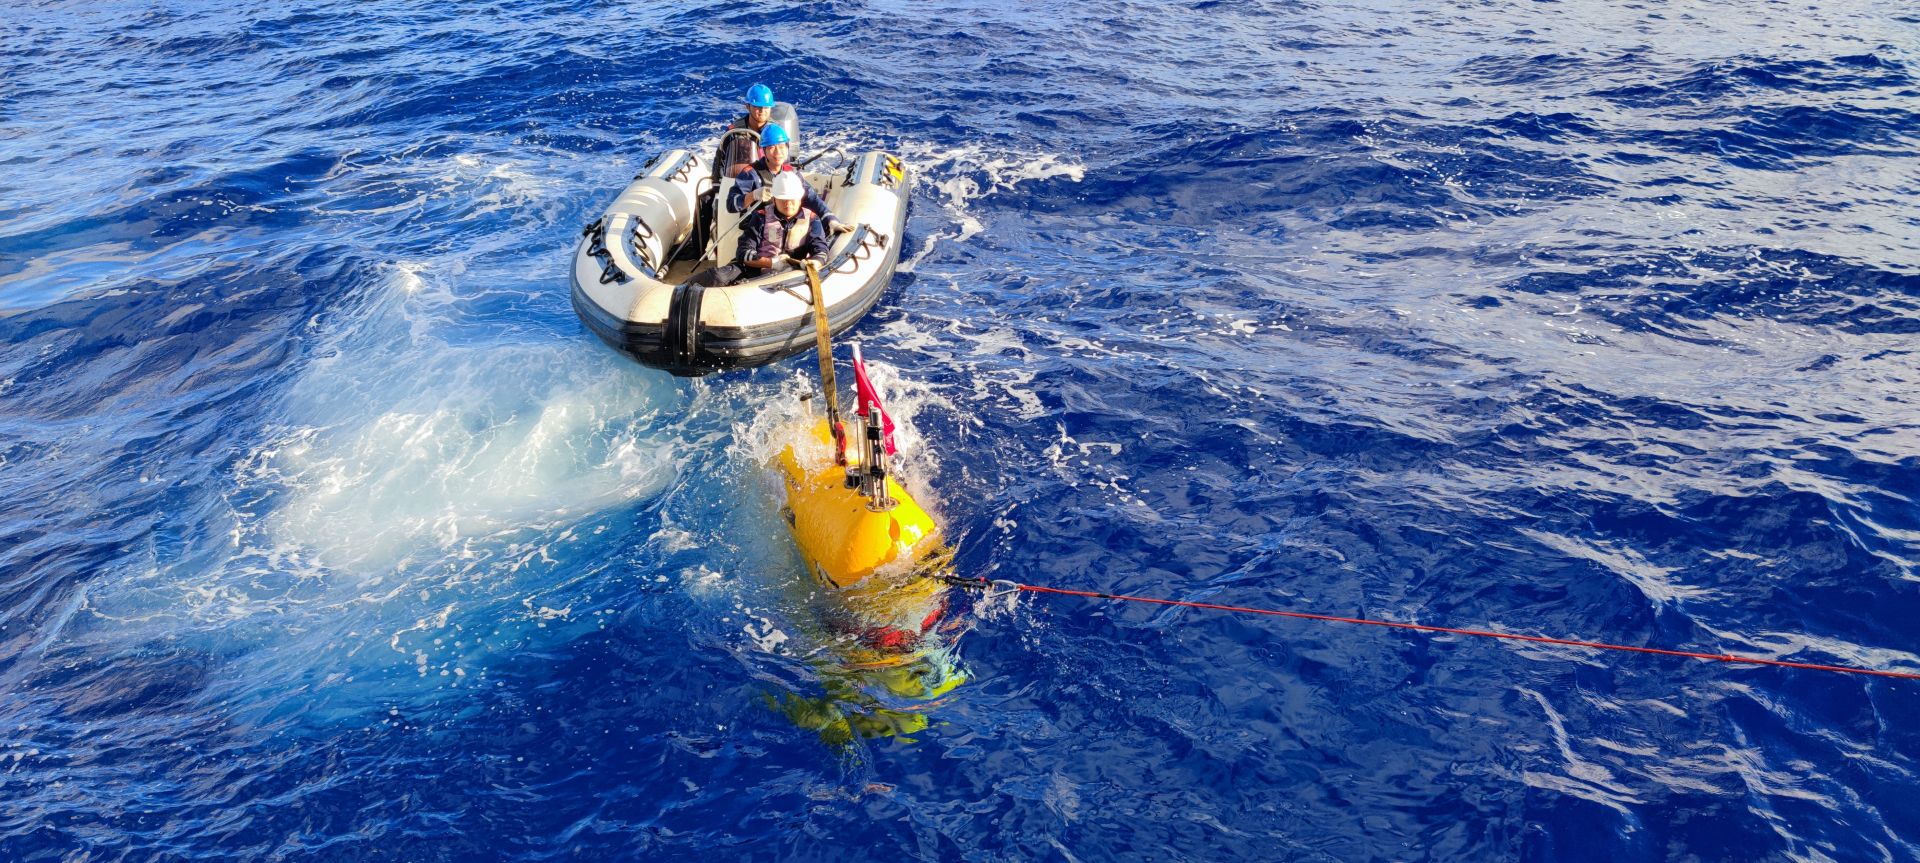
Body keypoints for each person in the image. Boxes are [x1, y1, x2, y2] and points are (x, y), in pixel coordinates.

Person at [688, 172, 831, 287]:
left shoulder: (812, 219)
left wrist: (816, 262)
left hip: (792, 274)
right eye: (783, 199)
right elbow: (743, 253)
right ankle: (682, 290)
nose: (788, 204)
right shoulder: (760, 217)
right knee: (716, 276)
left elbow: (821, 249)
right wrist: (771, 263)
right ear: (774, 198)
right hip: (754, 270)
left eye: (792, 198)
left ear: (800, 198)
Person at [728, 123, 854, 235]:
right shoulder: (750, 174)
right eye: (772, 148)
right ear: (763, 151)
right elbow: (731, 204)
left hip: (787, 229)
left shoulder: (792, 173)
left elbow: (811, 198)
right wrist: (754, 195)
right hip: (759, 232)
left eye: (782, 147)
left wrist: (830, 219)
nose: (778, 153)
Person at [720, 84, 777, 175]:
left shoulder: (776, 132)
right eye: (757, 106)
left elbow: (782, 161)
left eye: (766, 107)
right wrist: (716, 182)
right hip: (738, 180)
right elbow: (720, 160)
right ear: (747, 106)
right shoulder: (733, 131)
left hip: (768, 181)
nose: (762, 111)